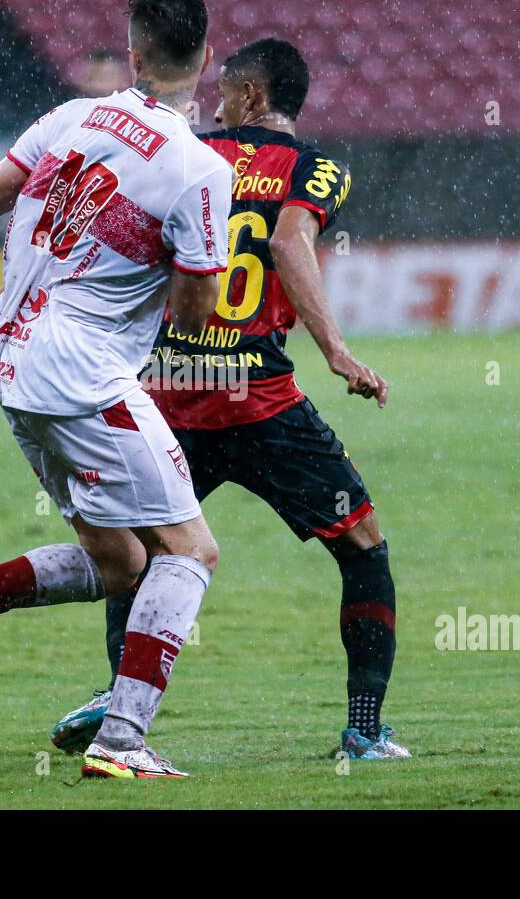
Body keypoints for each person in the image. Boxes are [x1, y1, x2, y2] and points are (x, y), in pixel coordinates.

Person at [0, 0, 233, 780]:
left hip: (10, 359)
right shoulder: (200, 168)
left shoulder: (72, 118)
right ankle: (122, 741)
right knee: (190, 552)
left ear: (133, 57)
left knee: (118, 565)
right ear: (206, 60)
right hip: (81, 372)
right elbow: (201, 306)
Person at [50, 39, 409, 760]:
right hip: (260, 402)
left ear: (251, 97)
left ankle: (118, 694)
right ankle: (364, 730)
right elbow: (287, 240)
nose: (213, 100)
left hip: (169, 393)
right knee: (362, 549)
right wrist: (336, 350)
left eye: (224, 90)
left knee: (146, 549)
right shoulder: (316, 169)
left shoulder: (179, 151)